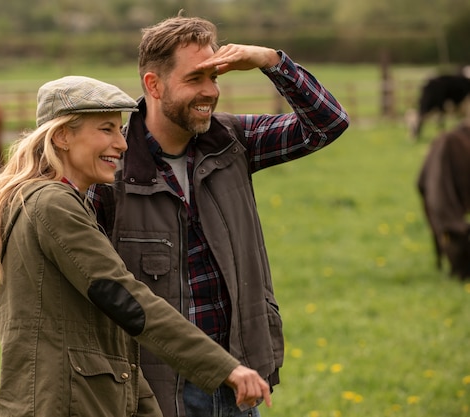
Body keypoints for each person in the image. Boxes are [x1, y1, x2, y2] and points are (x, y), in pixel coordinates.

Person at [0, 75, 272, 417]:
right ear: (63, 136)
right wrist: (225, 368)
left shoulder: (55, 200)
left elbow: (103, 325)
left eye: (119, 130)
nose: (122, 144)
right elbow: (124, 297)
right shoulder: (52, 205)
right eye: (106, 129)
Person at [87, 14, 350, 417]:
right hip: (156, 393)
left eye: (215, 78)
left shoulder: (231, 141)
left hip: (240, 378)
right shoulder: (111, 170)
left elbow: (327, 123)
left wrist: (270, 61)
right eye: (196, 79)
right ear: (153, 85)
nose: (211, 91)